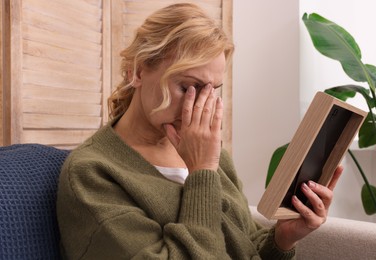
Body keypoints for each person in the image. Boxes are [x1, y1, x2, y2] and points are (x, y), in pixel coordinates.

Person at [56, 3, 343, 259]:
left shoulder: (210, 152)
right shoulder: (92, 173)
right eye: (187, 87)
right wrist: (202, 173)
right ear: (138, 71)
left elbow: (243, 245)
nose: (202, 105)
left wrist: (282, 239)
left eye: (211, 90)